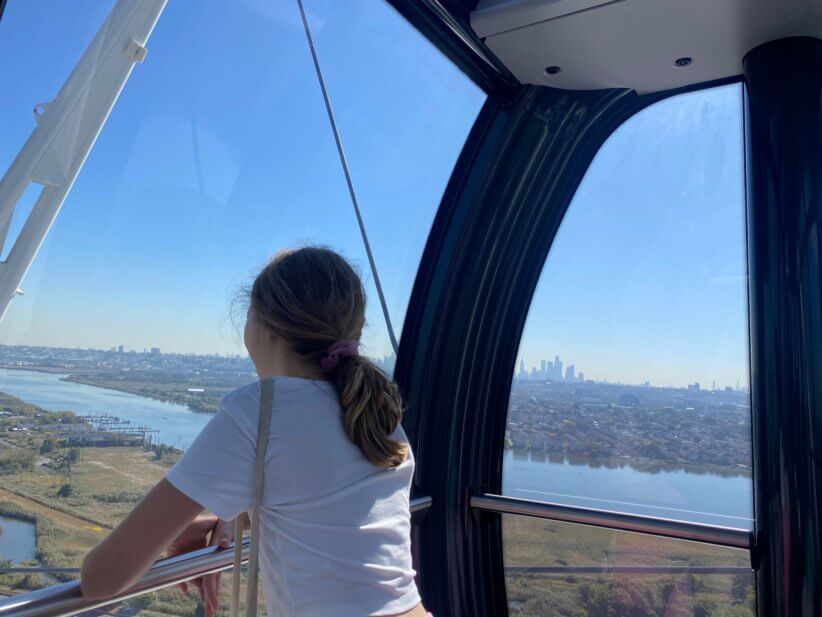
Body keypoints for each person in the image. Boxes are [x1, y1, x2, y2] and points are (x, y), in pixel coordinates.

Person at [80, 247, 426, 617]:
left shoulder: (259, 410)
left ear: (263, 329)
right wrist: (227, 518)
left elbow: (101, 577)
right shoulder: (375, 409)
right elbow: (325, 512)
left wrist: (170, 532)